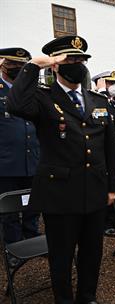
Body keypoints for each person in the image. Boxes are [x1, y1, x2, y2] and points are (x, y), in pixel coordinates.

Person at [8, 36, 115, 304]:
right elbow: (15, 105)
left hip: (94, 190)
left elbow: (111, 148)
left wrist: (113, 187)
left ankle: (87, 297)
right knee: (61, 255)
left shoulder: (98, 101)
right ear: (55, 65)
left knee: (92, 252)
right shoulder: (42, 99)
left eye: (81, 59)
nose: (77, 64)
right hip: (60, 194)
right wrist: (34, 65)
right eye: (70, 59)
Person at [0, 48, 40, 250]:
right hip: (7, 161)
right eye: (13, 64)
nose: (17, 68)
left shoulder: (31, 91)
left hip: (33, 158)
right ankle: (13, 245)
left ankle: (32, 236)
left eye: (21, 65)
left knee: (33, 202)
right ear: (3, 64)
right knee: (10, 208)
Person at [93, 71, 115, 237]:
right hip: (106, 155)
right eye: (111, 82)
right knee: (106, 189)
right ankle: (103, 222)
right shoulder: (97, 102)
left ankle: (114, 217)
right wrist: (101, 94)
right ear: (102, 84)